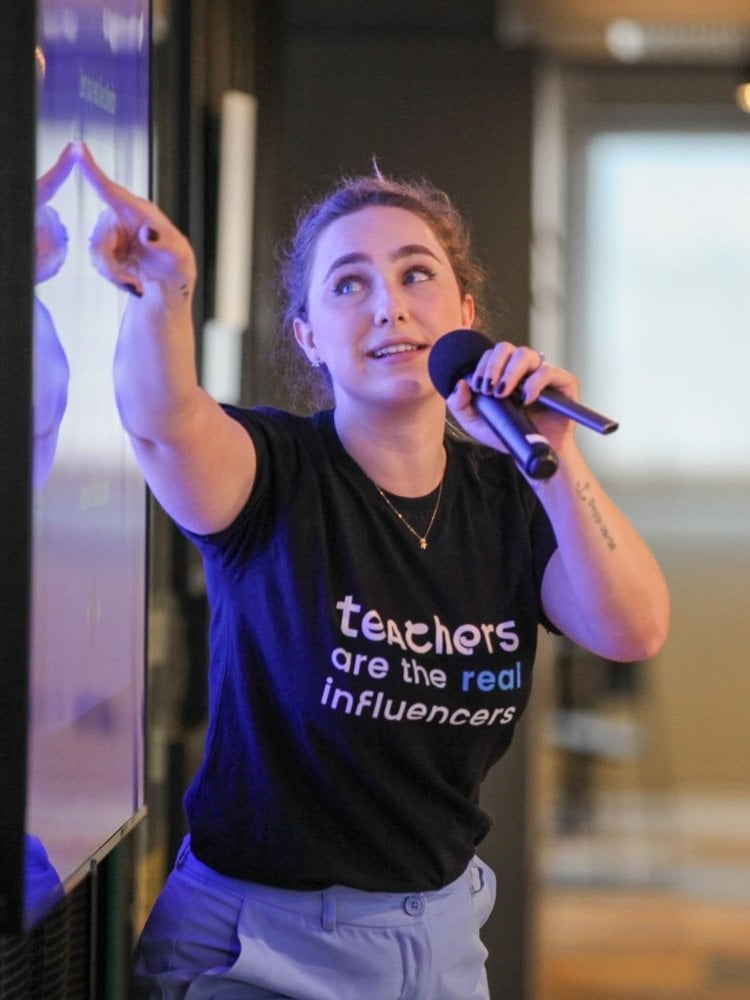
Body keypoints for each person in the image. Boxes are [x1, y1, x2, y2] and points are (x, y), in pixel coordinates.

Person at [76, 143, 669, 999]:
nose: (389, 305)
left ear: (464, 312)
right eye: (349, 284)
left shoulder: (510, 496)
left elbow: (635, 625)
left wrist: (556, 450)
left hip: (442, 941)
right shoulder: (271, 469)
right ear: (309, 336)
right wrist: (162, 291)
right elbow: (162, 421)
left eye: (417, 274)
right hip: (255, 948)